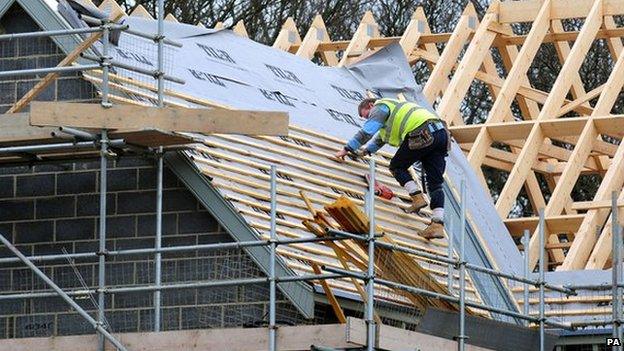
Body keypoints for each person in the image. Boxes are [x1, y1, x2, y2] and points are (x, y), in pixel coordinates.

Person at [334, 97, 450, 239]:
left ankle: (417, 198)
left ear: (371, 105)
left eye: (367, 115)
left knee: (397, 166)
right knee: (435, 184)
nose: (368, 119)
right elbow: (381, 138)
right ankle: (437, 225)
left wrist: (347, 148)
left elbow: (367, 132)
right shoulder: (394, 112)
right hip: (441, 133)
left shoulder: (380, 106)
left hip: (422, 131)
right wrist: (365, 151)